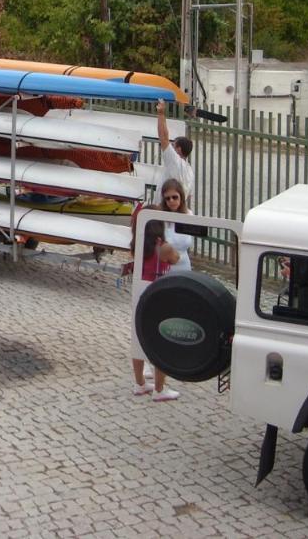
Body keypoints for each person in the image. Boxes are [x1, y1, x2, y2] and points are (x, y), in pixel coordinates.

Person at [130, 219, 181, 402]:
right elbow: (176, 259)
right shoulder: (164, 248)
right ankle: (159, 389)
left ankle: (139, 383)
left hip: (139, 293)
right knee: (160, 343)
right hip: (157, 295)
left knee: (138, 339)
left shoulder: (137, 246)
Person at [156, 99, 194, 206]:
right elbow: (189, 195)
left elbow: (163, 137)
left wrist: (161, 113)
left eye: (173, 145)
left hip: (164, 211)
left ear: (179, 149)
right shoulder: (190, 172)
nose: (170, 147)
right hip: (177, 212)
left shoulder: (175, 161)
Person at [158, 178, 192, 272]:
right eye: (167, 198)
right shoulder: (159, 216)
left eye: (175, 197)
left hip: (184, 266)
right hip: (165, 268)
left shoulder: (189, 215)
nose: (171, 201)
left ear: (181, 196)